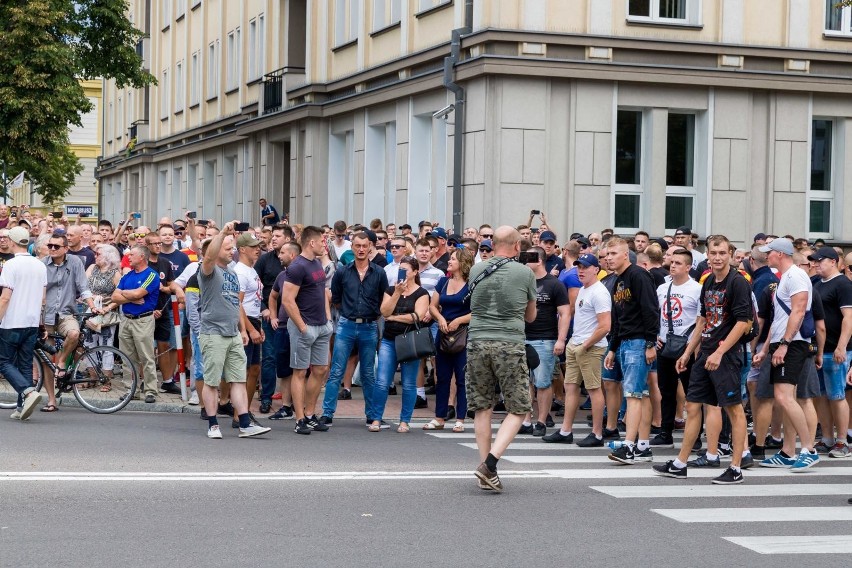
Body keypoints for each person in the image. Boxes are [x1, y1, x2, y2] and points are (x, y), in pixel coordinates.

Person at [654, 235, 753, 484]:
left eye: (722, 253)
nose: (717, 257)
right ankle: (680, 463)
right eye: (713, 253)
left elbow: (743, 322)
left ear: (729, 254)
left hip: (727, 355)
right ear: (707, 255)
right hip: (705, 353)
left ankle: (736, 467)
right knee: (692, 405)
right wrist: (687, 352)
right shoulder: (708, 281)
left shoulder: (737, 282)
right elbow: (702, 319)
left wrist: (720, 352)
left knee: (734, 409)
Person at [467, 226, 537, 492]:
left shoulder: (476, 269)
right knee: (519, 408)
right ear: (517, 246)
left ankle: (486, 471)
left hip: (476, 342)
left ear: (493, 244)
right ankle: (491, 464)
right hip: (509, 342)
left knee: (482, 407)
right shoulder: (525, 272)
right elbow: (530, 316)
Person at [197, 222, 271, 439]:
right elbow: (209, 257)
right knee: (211, 381)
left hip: (232, 334)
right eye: (228, 249)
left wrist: (242, 330)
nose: (233, 252)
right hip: (213, 333)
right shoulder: (208, 271)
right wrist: (221, 233)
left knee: (238, 379)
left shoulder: (231, 272)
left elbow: (234, 305)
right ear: (215, 249)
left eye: (233, 248)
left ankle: (245, 423)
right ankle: (213, 425)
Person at [752, 238, 820, 470]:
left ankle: (808, 449)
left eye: (768, 252)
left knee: (784, 398)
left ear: (779, 254)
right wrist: (766, 347)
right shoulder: (785, 278)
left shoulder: (795, 276)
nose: (766, 256)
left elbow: (799, 310)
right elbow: (780, 317)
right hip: (784, 343)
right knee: (786, 398)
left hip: (793, 343)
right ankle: (788, 451)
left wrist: (784, 344)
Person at [320, 231, 388, 427]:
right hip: (346, 324)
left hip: (369, 326)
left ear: (370, 247)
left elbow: (383, 299)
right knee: (336, 371)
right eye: (357, 246)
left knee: (368, 373)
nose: (360, 249)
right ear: (352, 248)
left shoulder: (379, 272)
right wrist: (349, 312)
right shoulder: (342, 271)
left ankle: (372, 415)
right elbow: (337, 299)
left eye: (364, 246)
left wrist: (372, 314)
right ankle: (327, 413)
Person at [544, 253, 611, 446]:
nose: (580, 271)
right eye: (579, 267)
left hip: (591, 347)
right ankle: (566, 431)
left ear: (596, 270)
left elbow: (605, 326)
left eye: (585, 267)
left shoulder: (599, 292)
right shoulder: (583, 289)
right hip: (577, 344)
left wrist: (586, 345)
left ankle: (597, 434)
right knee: (570, 387)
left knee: (593, 389)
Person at [604, 237, 660, 466]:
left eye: (613, 253)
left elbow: (650, 309)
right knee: (642, 394)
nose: (609, 258)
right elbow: (617, 318)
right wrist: (612, 348)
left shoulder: (638, 275)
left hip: (638, 342)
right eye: (607, 254)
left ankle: (628, 447)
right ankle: (643, 446)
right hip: (624, 342)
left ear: (625, 254)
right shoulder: (618, 281)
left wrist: (650, 343)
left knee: (634, 395)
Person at [281, 226, 334, 435]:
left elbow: (323, 292)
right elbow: (287, 300)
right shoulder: (297, 266)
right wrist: (302, 327)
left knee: (320, 370)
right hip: (304, 327)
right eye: (322, 241)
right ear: (312, 243)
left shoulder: (316, 263)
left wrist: (328, 320)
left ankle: (310, 415)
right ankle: (299, 419)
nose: (324, 244)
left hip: (321, 325)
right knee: (300, 372)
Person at [651, 248, 702, 449]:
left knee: (692, 392)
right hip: (665, 345)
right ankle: (665, 431)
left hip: (686, 346)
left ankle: (695, 435)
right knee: (666, 390)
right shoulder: (663, 288)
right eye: (672, 262)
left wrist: (693, 347)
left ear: (688, 267)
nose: (673, 266)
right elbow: (657, 314)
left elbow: (701, 321)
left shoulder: (696, 289)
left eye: (678, 263)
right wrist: (656, 335)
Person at [373, 255, 430, 433]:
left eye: (405, 270)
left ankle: (405, 420)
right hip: (389, 340)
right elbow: (384, 311)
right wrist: (397, 293)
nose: (402, 272)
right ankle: (376, 418)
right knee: (382, 381)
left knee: (408, 383)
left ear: (414, 272)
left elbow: (417, 317)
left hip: (409, 341)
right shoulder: (391, 290)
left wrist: (395, 318)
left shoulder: (422, 293)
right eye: (400, 269)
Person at [42, 232, 96, 412]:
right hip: (46, 316)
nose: (52, 249)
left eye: (56, 246)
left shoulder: (75, 262)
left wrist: (92, 305)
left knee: (74, 334)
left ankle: (63, 361)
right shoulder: (42, 264)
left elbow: (83, 286)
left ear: (65, 248)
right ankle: (51, 400)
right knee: (46, 360)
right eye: (50, 245)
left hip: (66, 313)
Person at [521, 246, 570, 437]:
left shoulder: (554, 284)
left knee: (542, 382)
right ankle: (526, 420)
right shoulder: (523, 282)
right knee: (525, 382)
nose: (524, 261)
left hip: (545, 339)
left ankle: (541, 420)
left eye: (528, 258)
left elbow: (565, 313)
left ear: (539, 260)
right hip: (523, 337)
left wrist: (560, 340)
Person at [424, 247, 474, 432]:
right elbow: (433, 306)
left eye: (453, 259)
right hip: (443, 333)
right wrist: (441, 318)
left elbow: (477, 312)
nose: (449, 261)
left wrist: (459, 320)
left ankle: (461, 417)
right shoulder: (443, 281)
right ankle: (439, 417)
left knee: (461, 378)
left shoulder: (472, 284)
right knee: (442, 377)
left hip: (463, 335)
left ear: (463, 263)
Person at [0, 226, 47, 421]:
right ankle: (21, 407)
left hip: (13, 320)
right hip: (32, 321)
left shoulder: (11, 265)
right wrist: (41, 323)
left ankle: (28, 393)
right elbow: (43, 299)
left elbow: (5, 297)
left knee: (3, 362)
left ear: (12, 241)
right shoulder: (40, 265)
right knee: (25, 364)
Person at [809, 247, 852, 458]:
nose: (816, 264)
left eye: (820, 260)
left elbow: (849, 318)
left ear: (834, 261)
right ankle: (827, 438)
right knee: (820, 396)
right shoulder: (816, 283)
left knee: (837, 395)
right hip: (818, 349)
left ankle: (842, 441)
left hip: (836, 349)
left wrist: (841, 346)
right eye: (814, 261)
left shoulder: (843, 284)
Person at [111, 245, 161, 403]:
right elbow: (114, 297)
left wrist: (124, 294)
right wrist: (131, 297)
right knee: (127, 357)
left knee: (146, 356)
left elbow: (140, 293)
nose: (128, 257)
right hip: (126, 319)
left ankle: (150, 390)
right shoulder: (128, 276)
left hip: (143, 320)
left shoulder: (151, 275)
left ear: (142, 257)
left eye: (132, 254)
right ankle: (131, 389)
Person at [254, 224, 293, 413]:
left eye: (278, 235)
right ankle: (266, 397)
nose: (274, 238)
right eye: (273, 235)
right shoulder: (264, 260)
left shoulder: (295, 261)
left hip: (292, 319)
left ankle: (291, 400)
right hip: (270, 318)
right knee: (268, 357)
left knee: (292, 359)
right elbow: (254, 287)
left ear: (288, 239)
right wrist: (264, 309)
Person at [267, 242, 301, 420]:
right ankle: (286, 407)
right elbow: (273, 296)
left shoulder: (305, 274)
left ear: (293, 255)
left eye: (282, 253)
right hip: (282, 328)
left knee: (301, 369)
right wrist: (273, 316)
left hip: (300, 328)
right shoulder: (282, 275)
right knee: (284, 370)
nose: (279, 256)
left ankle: (302, 407)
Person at [233, 232, 265, 425]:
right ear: (242, 249)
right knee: (243, 370)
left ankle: (245, 411)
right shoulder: (240, 271)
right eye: (254, 247)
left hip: (255, 319)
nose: (257, 250)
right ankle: (240, 413)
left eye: (258, 246)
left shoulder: (251, 270)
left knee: (254, 368)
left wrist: (258, 326)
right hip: (245, 322)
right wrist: (249, 329)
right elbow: (238, 304)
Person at [83, 244, 123, 389]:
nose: (95, 256)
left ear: (108, 256)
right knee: (89, 344)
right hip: (91, 310)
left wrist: (107, 307)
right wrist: (91, 300)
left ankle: (106, 380)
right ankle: (93, 377)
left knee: (106, 345)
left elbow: (119, 296)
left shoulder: (116, 274)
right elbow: (83, 287)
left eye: (98, 254)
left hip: (107, 313)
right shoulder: (92, 268)